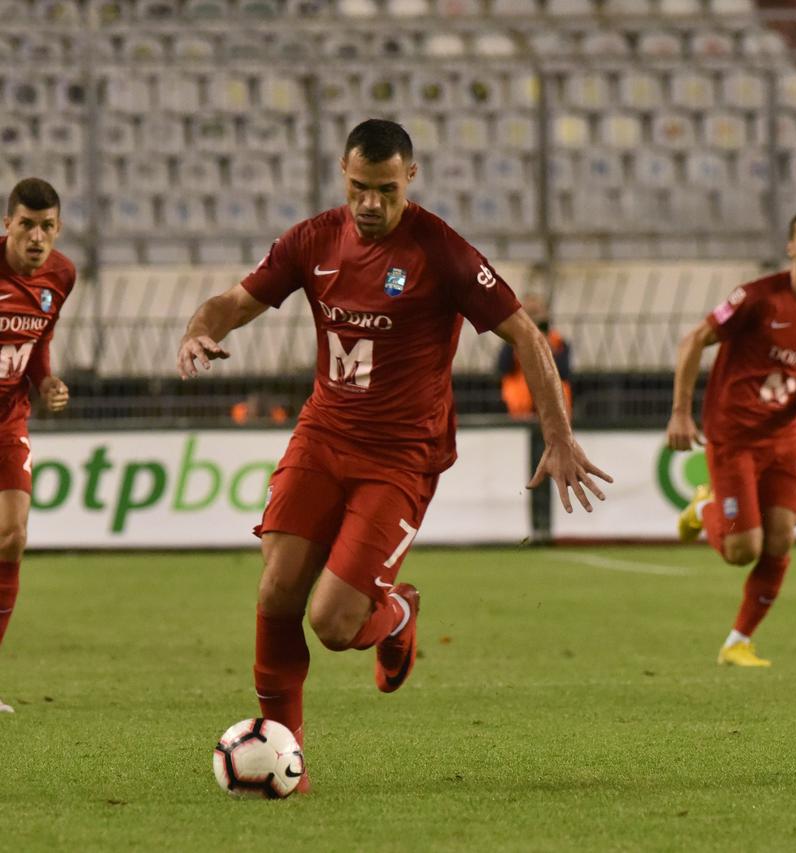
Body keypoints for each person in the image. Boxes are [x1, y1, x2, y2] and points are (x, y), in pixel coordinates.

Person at [176, 119, 611, 787]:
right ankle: (285, 752)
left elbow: (525, 333)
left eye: (384, 189)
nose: (370, 203)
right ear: (343, 176)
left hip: (399, 457)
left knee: (331, 620)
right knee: (277, 589)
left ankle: (398, 610)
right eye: (358, 188)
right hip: (322, 436)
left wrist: (558, 435)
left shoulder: (442, 252)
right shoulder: (312, 240)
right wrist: (198, 332)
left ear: (410, 177)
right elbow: (233, 302)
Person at [666, 210, 796, 668]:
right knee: (743, 551)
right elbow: (693, 341)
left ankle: (737, 642)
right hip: (734, 438)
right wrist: (681, 413)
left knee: (781, 539)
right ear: (791, 248)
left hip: (784, 439)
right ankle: (705, 509)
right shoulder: (757, 297)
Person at [0, 178, 74, 715]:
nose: (37, 236)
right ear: (8, 224)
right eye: (27, 224)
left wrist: (45, 381)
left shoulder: (61, 276)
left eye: (47, 226)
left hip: (9, 419)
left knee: (12, 535)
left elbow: (39, 340)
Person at [497, 292, 572, 420]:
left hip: (552, 405)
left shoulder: (557, 341)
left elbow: (564, 372)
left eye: (535, 312)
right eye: (528, 312)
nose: (532, 318)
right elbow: (503, 367)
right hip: (519, 407)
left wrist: (546, 349)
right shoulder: (512, 339)